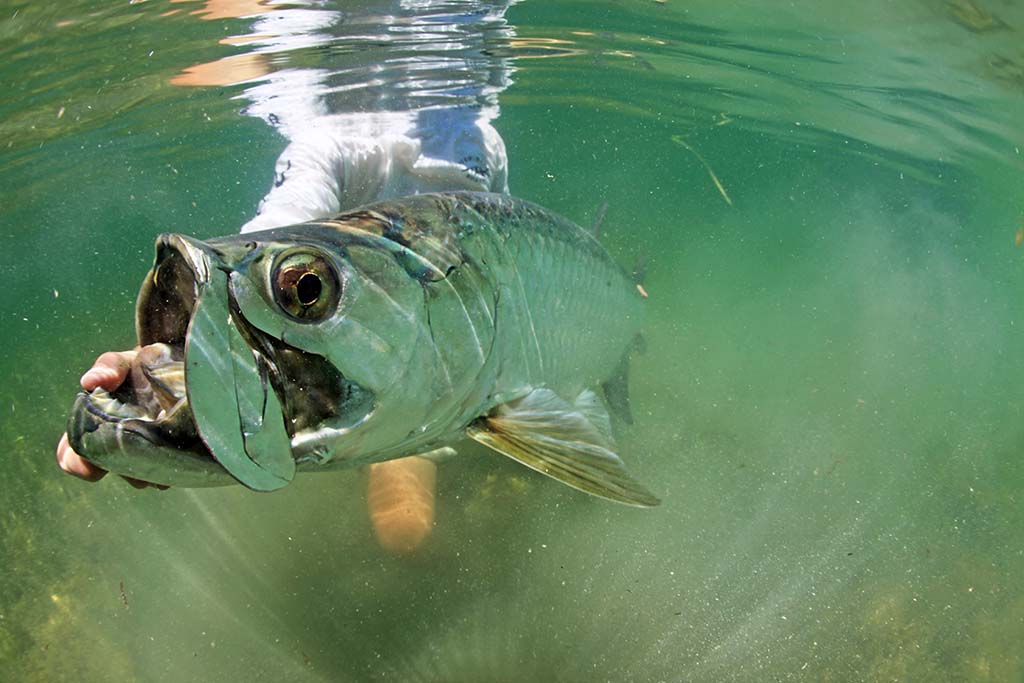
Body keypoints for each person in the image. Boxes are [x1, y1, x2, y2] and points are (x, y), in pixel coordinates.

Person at [57, 0, 516, 553]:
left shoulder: (482, 144)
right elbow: (266, 243)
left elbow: (496, 264)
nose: (434, 110)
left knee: (407, 524)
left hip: (433, 355)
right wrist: (162, 369)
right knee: (403, 532)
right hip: (349, 351)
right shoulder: (331, 146)